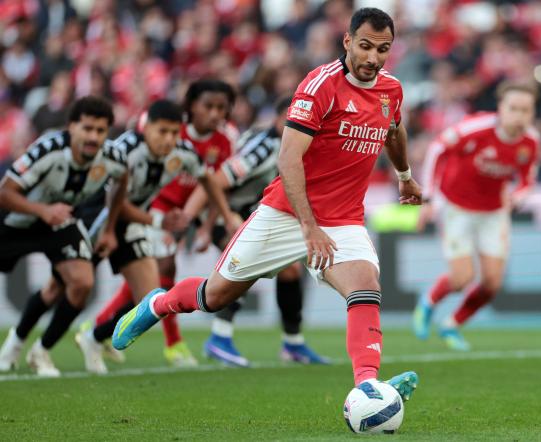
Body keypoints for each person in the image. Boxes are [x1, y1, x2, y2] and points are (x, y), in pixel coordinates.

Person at [113, 8, 421, 402]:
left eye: (383, 49)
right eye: (364, 46)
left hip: (343, 220)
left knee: (365, 287)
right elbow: (288, 159)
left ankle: (367, 385)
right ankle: (159, 303)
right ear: (347, 42)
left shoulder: (391, 90)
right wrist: (309, 228)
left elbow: (394, 129)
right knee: (215, 296)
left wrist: (405, 175)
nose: (373, 58)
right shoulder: (319, 86)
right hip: (286, 214)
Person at [69, 98, 241, 374]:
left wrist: (219, 217)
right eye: (163, 132)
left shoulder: (211, 143)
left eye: (222, 108)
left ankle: (95, 333)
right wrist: (157, 220)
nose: (169, 138)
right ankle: (169, 343)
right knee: (78, 283)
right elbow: (116, 195)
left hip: (152, 217)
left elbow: (209, 180)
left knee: (150, 291)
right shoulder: (131, 148)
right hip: (120, 214)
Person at [186, 96, 329, 366]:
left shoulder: (298, 145)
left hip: (245, 213)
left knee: (290, 271)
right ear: (279, 119)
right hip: (222, 212)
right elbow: (217, 180)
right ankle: (219, 337)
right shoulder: (263, 148)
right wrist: (211, 222)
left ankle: (293, 343)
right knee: (243, 265)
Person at [0, 96, 128, 377]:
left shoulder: (113, 157)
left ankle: (40, 352)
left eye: (100, 130)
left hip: (59, 220)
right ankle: (14, 344)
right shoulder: (47, 150)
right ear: (71, 127)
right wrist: (42, 210)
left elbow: (121, 183)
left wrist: (108, 229)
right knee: (54, 289)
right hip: (15, 220)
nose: (93, 137)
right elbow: (4, 192)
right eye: (87, 128)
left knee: (82, 283)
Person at [413, 81, 541, 351]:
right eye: (514, 108)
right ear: (500, 109)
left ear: (532, 113)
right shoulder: (475, 129)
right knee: (461, 278)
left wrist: (518, 197)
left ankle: (452, 324)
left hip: (493, 212)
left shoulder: (530, 142)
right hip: (456, 207)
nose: (519, 115)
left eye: (525, 110)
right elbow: (437, 149)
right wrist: (429, 198)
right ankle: (428, 302)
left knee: (492, 283)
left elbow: (527, 181)